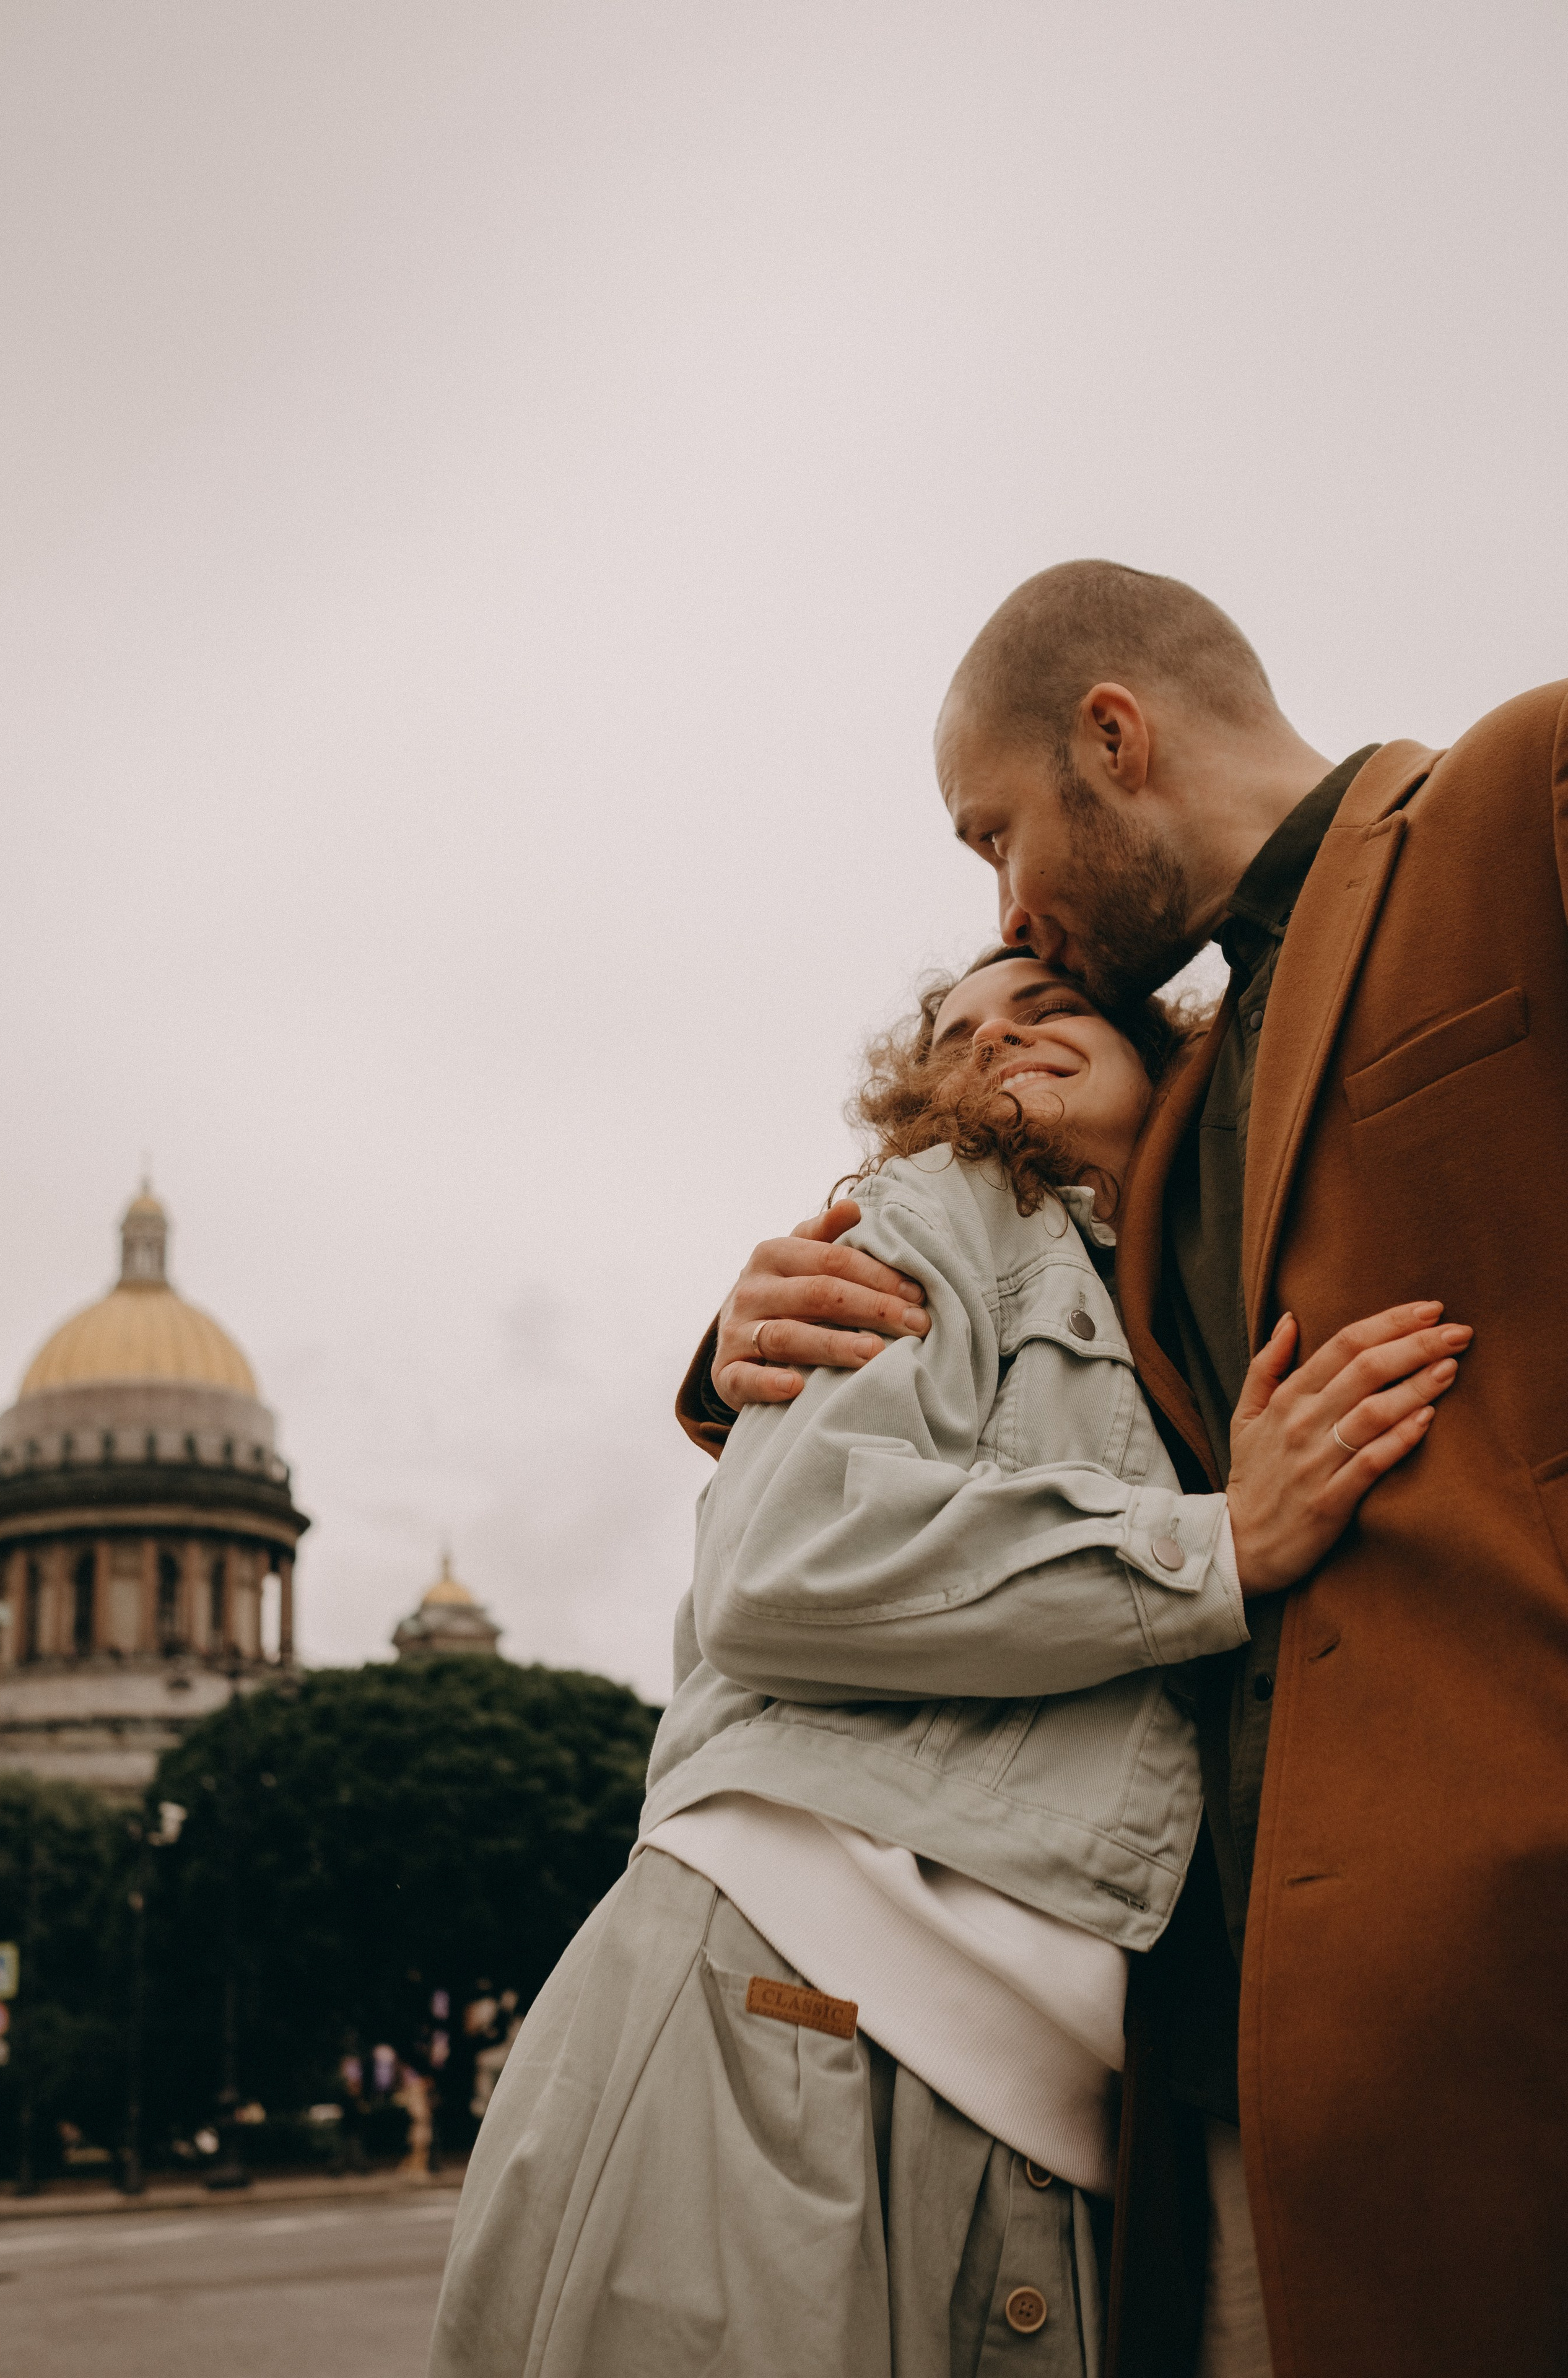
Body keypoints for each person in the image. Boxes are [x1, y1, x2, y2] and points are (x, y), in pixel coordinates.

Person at [682, 560, 1568, 2378]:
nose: (1006, 908)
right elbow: (1085, 1414)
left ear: (1116, 738)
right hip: (1212, 2057)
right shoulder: (1160, 1111)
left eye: (995, 835)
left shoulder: (1516, 791)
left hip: (1512, 1956)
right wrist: (743, 1358)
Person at [430, 945, 1461, 2378]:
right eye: (958, 1035)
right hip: (794, 2001)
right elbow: (781, 1569)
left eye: (1046, 1008)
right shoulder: (926, 1211)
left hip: (1070, 2113)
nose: (1000, 1040)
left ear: (1171, 1066)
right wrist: (1215, 1544)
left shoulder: (1238, 1282)